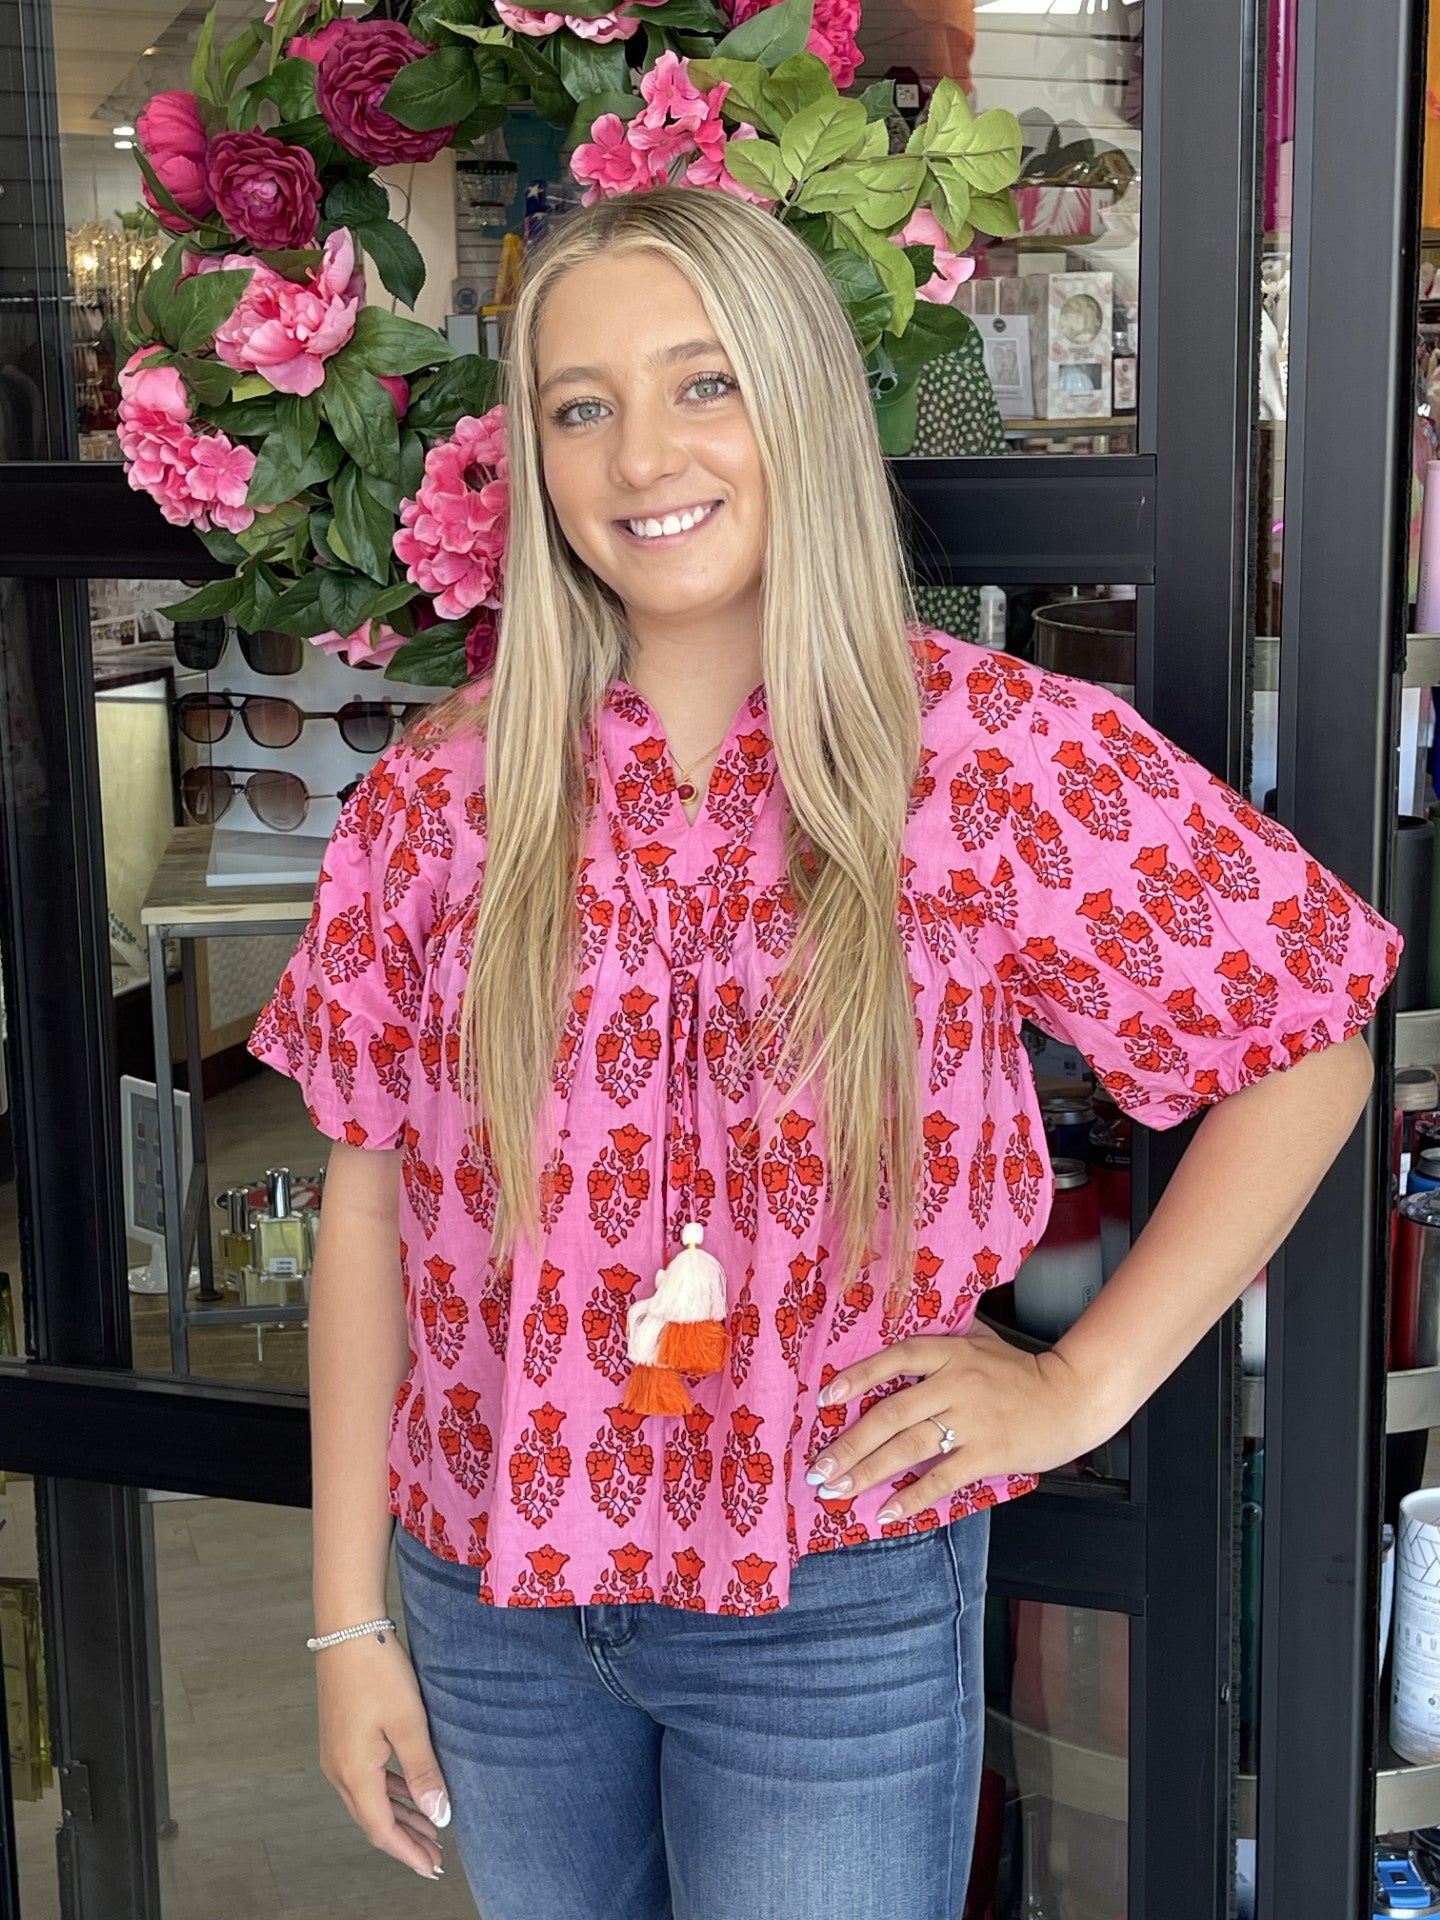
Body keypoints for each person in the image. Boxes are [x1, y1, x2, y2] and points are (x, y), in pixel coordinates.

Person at [248, 184, 1402, 1920]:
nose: (643, 454)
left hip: (834, 1592)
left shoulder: (988, 758)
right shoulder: (445, 799)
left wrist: (1080, 1387)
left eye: (702, 384)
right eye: (581, 405)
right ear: (536, 457)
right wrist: (349, 1622)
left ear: (795, 403)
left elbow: (1307, 1041)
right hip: (489, 1591)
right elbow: (365, 1200)